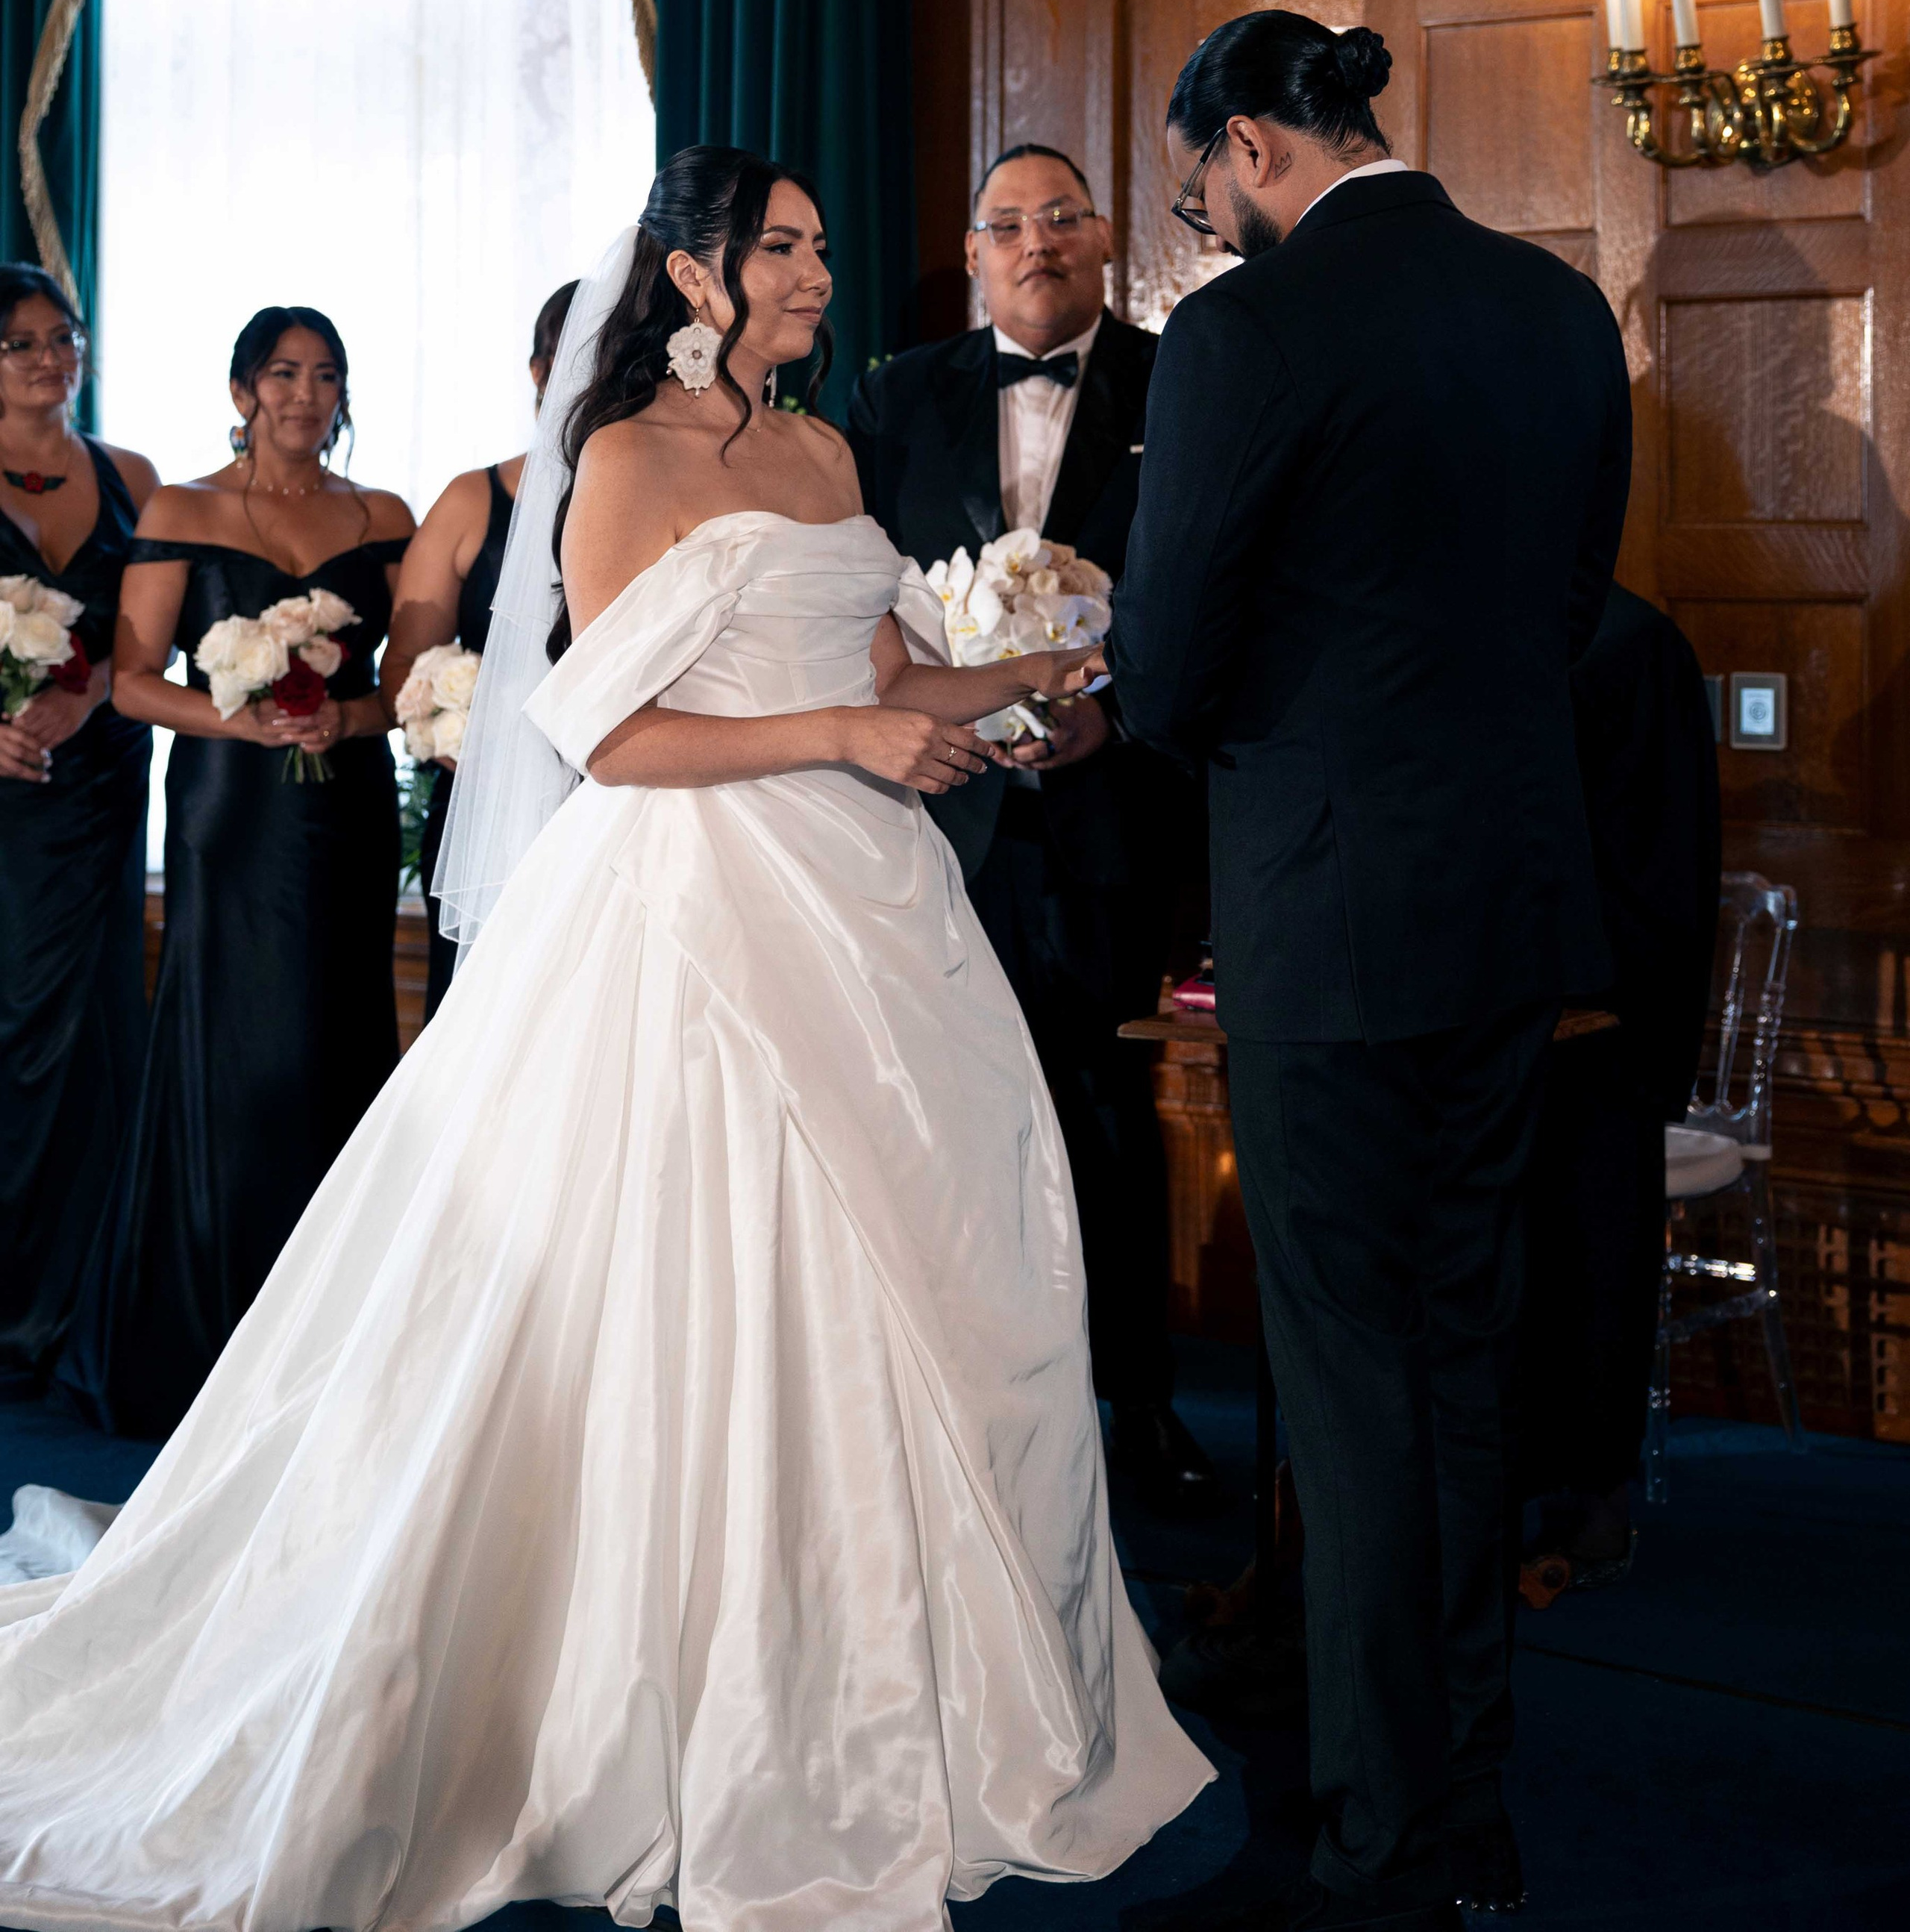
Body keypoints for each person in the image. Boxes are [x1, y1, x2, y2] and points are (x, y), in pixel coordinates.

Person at [0, 147, 1211, 1931]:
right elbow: (606, 731)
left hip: (861, 905)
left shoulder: (823, 448)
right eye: (785, 248)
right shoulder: (628, 459)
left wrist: (1051, 680)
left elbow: (889, 672)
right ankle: (653, 1695)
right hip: (693, 900)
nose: (816, 273)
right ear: (699, 272)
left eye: (815, 245)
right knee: (677, 1276)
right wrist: (844, 742)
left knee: (907, 1267)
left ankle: (878, 1672)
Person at [1112, 11, 1630, 1932]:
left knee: (1342, 1392)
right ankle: (1465, 1813)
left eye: (1197, 188)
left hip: (1324, 919)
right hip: (1504, 907)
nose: (1203, 223)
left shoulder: (1244, 334)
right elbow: (1573, 605)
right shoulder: (1553, 306)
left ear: (1254, 142)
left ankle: (1372, 1835)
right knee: (1462, 1359)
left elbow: (1165, 669)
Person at [848, 143, 1216, 1518]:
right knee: (950, 1110)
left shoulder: (1179, 378)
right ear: (973, 249)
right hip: (942, 817)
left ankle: (1137, 1404)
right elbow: (862, 584)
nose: (1037, 242)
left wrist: (1116, 718)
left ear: (1107, 235)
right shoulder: (897, 396)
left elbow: (1204, 577)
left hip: (1112, 813)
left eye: (1062, 218)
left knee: (1106, 1116)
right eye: (1008, 223)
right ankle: (959, 1404)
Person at [54, 308, 415, 1439]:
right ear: (243, 388)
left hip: (346, 810)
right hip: (230, 813)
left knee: (337, 1037)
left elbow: (412, 674)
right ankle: (208, 1337)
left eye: (325, 376)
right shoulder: (185, 510)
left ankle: (337, 1343)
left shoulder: (385, 516)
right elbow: (129, 680)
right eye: (284, 375)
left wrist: (349, 713)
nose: (305, 396)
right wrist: (241, 719)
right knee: (237, 1045)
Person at [1518, 584, 1720, 1583]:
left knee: (1594, 1261)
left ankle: (1590, 1492)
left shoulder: (1631, 644)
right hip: (1486, 1018)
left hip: (1603, 1021)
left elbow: (1665, 865)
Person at [0, 265, 157, 1392]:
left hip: (99, 789)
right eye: (24, 343)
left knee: (95, 1041)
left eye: (68, 336)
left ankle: (77, 1316)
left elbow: (149, 642)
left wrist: (92, 691)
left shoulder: (131, 476)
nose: (55, 357)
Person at [383, 278, 577, 1017]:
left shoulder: (657, 497)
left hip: (617, 806)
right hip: (486, 815)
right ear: (538, 370)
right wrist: (448, 732)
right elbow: (402, 670)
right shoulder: (472, 501)